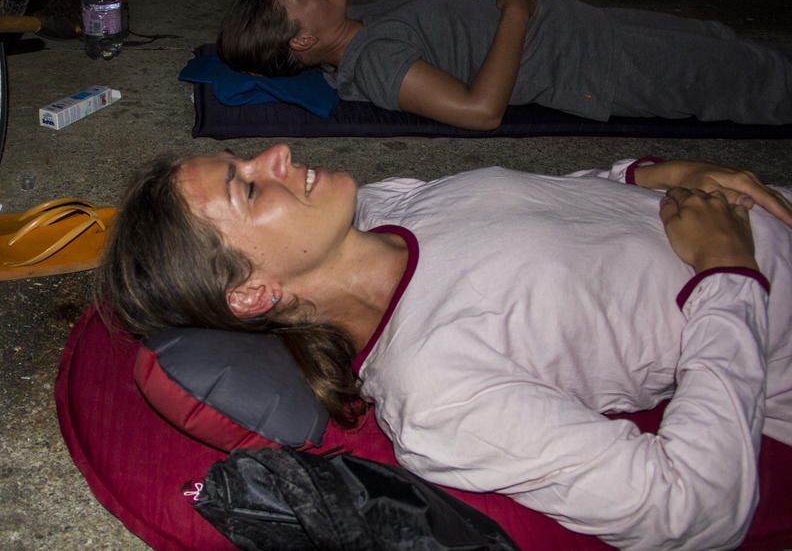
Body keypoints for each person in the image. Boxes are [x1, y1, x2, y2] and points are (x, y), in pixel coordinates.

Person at [99, 144, 792, 549]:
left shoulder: (393, 206)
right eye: (248, 186)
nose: (276, 152)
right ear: (252, 292)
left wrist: (659, 174)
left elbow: (559, 204)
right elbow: (697, 503)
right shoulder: (438, 388)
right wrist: (727, 273)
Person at [216, 0, 792, 129]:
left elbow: (451, 33)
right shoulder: (375, 60)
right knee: (756, 81)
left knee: (726, 45)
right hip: (596, 66)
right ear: (303, 40)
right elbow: (479, 111)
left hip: (590, 29)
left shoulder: (371, 24)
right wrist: (517, 10)